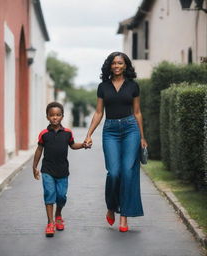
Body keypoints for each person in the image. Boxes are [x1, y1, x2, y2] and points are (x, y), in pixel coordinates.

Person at [84, 52, 148, 232]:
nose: (117, 66)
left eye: (120, 63)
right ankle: (112, 207)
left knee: (128, 172)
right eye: (114, 63)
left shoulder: (133, 86)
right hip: (110, 130)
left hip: (130, 129)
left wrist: (142, 137)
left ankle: (124, 218)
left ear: (125, 65)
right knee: (114, 172)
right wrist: (89, 134)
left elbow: (137, 112)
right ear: (109, 66)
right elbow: (98, 113)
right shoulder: (103, 87)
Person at [33, 102, 85, 237]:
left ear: (62, 116)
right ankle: (50, 223)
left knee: (61, 196)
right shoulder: (44, 134)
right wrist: (35, 167)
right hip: (47, 170)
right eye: (52, 115)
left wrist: (83, 145)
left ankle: (58, 214)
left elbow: (73, 145)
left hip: (62, 171)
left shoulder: (68, 133)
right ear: (47, 117)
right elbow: (39, 150)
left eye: (58, 115)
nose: (55, 117)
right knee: (49, 194)